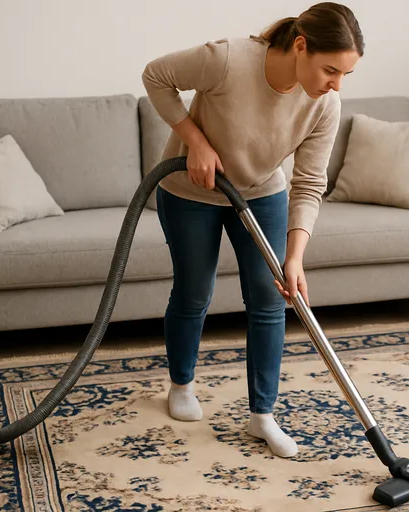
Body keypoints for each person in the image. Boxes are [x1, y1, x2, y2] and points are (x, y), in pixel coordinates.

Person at [141, 2, 364, 458]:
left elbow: (309, 183)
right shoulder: (227, 60)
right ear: (300, 46)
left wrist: (295, 255)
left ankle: (261, 416)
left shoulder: (325, 105)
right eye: (329, 70)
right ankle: (180, 384)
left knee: (270, 299)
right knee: (194, 292)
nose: (334, 85)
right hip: (189, 190)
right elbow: (155, 75)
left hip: (262, 193)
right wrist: (196, 142)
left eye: (344, 75)